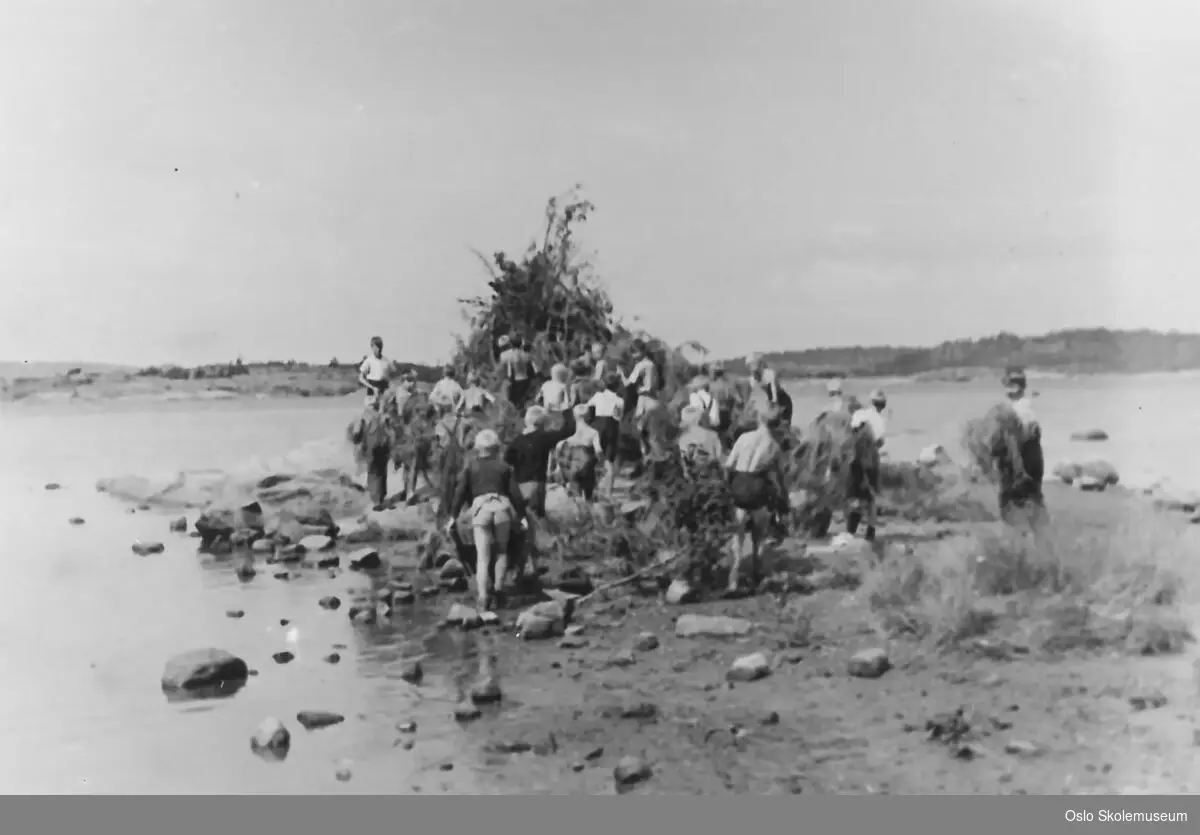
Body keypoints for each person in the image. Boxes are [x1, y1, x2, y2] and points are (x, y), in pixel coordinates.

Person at [446, 429, 528, 612]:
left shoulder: (471, 467)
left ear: (478, 448)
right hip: (501, 510)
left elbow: (459, 493)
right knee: (501, 553)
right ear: (497, 447)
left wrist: (453, 516)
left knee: (482, 558)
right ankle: (499, 590)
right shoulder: (505, 467)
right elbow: (515, 494)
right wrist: (522, 517)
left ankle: (483, 597)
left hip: (481, 510)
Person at [724, 406, 789, 595]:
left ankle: (733, 582)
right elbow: (780, 477)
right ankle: (757, 575)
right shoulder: (774, 446)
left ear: (760, 420)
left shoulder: (744, 438)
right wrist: (784, 501)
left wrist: (727, 489)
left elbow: (728, 466)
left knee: (737, 538)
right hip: (758, 489)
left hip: (739, 486)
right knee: (758, 537)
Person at [504, 404, 577, 569]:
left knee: (525, 522)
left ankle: (532, 559)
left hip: (520, 485)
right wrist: (567, 412)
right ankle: (552, 546)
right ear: (543, 422)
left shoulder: (517, 441)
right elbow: (567, 431)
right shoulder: (543, 438)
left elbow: (507, 459)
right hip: (537, 483)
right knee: (537, 517)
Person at [992, 367, 1046, 528]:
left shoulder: (1012, 410)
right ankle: (1041, 532)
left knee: (1010, 501)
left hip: (1020, 460)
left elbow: (1014, 439)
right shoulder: (1029, 406)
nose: (1005, 389)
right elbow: (1035, 433)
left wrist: (1017, 467)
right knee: (1034, 498)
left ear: (1014, 387)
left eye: (1008, 385)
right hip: (1034, 458)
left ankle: (1017, 535)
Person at [845, 388, 888, 541]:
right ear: (883, 405)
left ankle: (850, 531)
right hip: (870, 462)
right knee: (870, 498)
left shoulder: (859, 414)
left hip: (855, 460)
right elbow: (879, 442)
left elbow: (850, 433)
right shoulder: (880, 420)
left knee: (855, 495)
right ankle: (870, 531)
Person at [554, 403, 604, 500]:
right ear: (588, 416)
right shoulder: (593, 433)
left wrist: (557, 468)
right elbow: (598, 450)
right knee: (588, 495)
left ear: (574, 416)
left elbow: (559, 449)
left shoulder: (567, 435)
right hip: (587, 467)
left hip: (571, 468)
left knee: (575, 496)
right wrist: (601, 464)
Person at [587, 373, 625, 498]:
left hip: (596, 427)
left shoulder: (597, 396)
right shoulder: (620, 400)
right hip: (611, 428)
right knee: (609, 461)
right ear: (618, 386)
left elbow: (589, 409)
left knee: (592, 459)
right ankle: (608, 493)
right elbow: (618, 418)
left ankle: (591, 490)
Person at [623, 340, 661, 459]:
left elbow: (628, 383)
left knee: (640, 431)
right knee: (651, 434)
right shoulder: (652, 364)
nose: (633, 356)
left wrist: (621, 374)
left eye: (635, 353)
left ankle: (652, 458)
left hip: (645, 400)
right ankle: (652, 459)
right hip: (653, 400)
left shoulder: (641, 365)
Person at [676, 404, 724, 477]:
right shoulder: (712, 435)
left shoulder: (680, 436)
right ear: (699, 419)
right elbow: (718, 454)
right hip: (707, 473)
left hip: (687, 475)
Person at [746, 353, 793, 426]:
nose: (754, 374)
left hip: (784, 401)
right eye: (751, 370)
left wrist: (772, 406)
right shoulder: (752, 380)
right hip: (772, 402)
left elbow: (773, 393)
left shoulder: (769, 374)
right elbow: (750, 398)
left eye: (756, 370)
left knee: (782, 426)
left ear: (760, 366)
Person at [707, 361, 743, 448]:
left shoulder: (711, 386)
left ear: (715, 373)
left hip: (714, 415)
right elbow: (740, 401)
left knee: (717, 437)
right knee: (724, 435)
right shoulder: (729, 385)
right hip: (726, 414)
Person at [498, 336, 535, 407]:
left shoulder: (506, 355)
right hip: (525, 380)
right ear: (521, 344)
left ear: (511, 344)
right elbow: (531, 368)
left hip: (514, 381)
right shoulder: (526, 354)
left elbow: (503, 369)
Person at [358, 336, 391, 406]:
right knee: (370, 414)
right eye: (373, 346)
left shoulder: (386, 360)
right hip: (371, 394)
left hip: (383, 393)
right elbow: (361, 378)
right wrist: (373, 388)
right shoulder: (369, 360)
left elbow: (390, 376)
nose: (376, 349)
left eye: (378, 346)